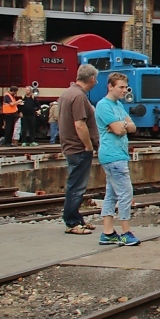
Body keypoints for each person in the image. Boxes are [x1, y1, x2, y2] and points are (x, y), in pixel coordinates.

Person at [95, 73, 140, 246]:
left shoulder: (119, 105)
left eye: (125, 87)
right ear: (110, 86)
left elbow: (132, 127)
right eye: (121, 87)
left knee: (112, 194)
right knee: (125, 193)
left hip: (118, 154)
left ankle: (107, 232)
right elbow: (119, 130)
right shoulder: (103, 105)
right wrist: (123, 125)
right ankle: (126, 232)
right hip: (112, 156)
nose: (124, 90)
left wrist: (124, 125)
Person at [58, 65, 99, 235]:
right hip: (78, 148)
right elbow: (80, 124)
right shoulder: (78, 96)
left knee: (75, 185)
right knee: (76, 186)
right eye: (96, 79)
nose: (96, 82)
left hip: (71, 146)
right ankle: (72, 222)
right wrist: (88, 145)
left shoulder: (67, 93)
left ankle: (77, 218)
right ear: (92, 79)